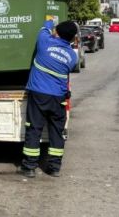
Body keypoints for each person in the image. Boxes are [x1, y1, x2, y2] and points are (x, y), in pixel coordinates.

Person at [19, 18, 78, 178]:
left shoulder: (45, 43)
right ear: (72, 38)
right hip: (58, 98)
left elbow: (44, 30)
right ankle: (54, 167)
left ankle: (30, 166)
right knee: (57, 132)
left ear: (56, 33)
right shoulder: (72, 57)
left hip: (39, 95)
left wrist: (49, 21)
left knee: (34, 129)